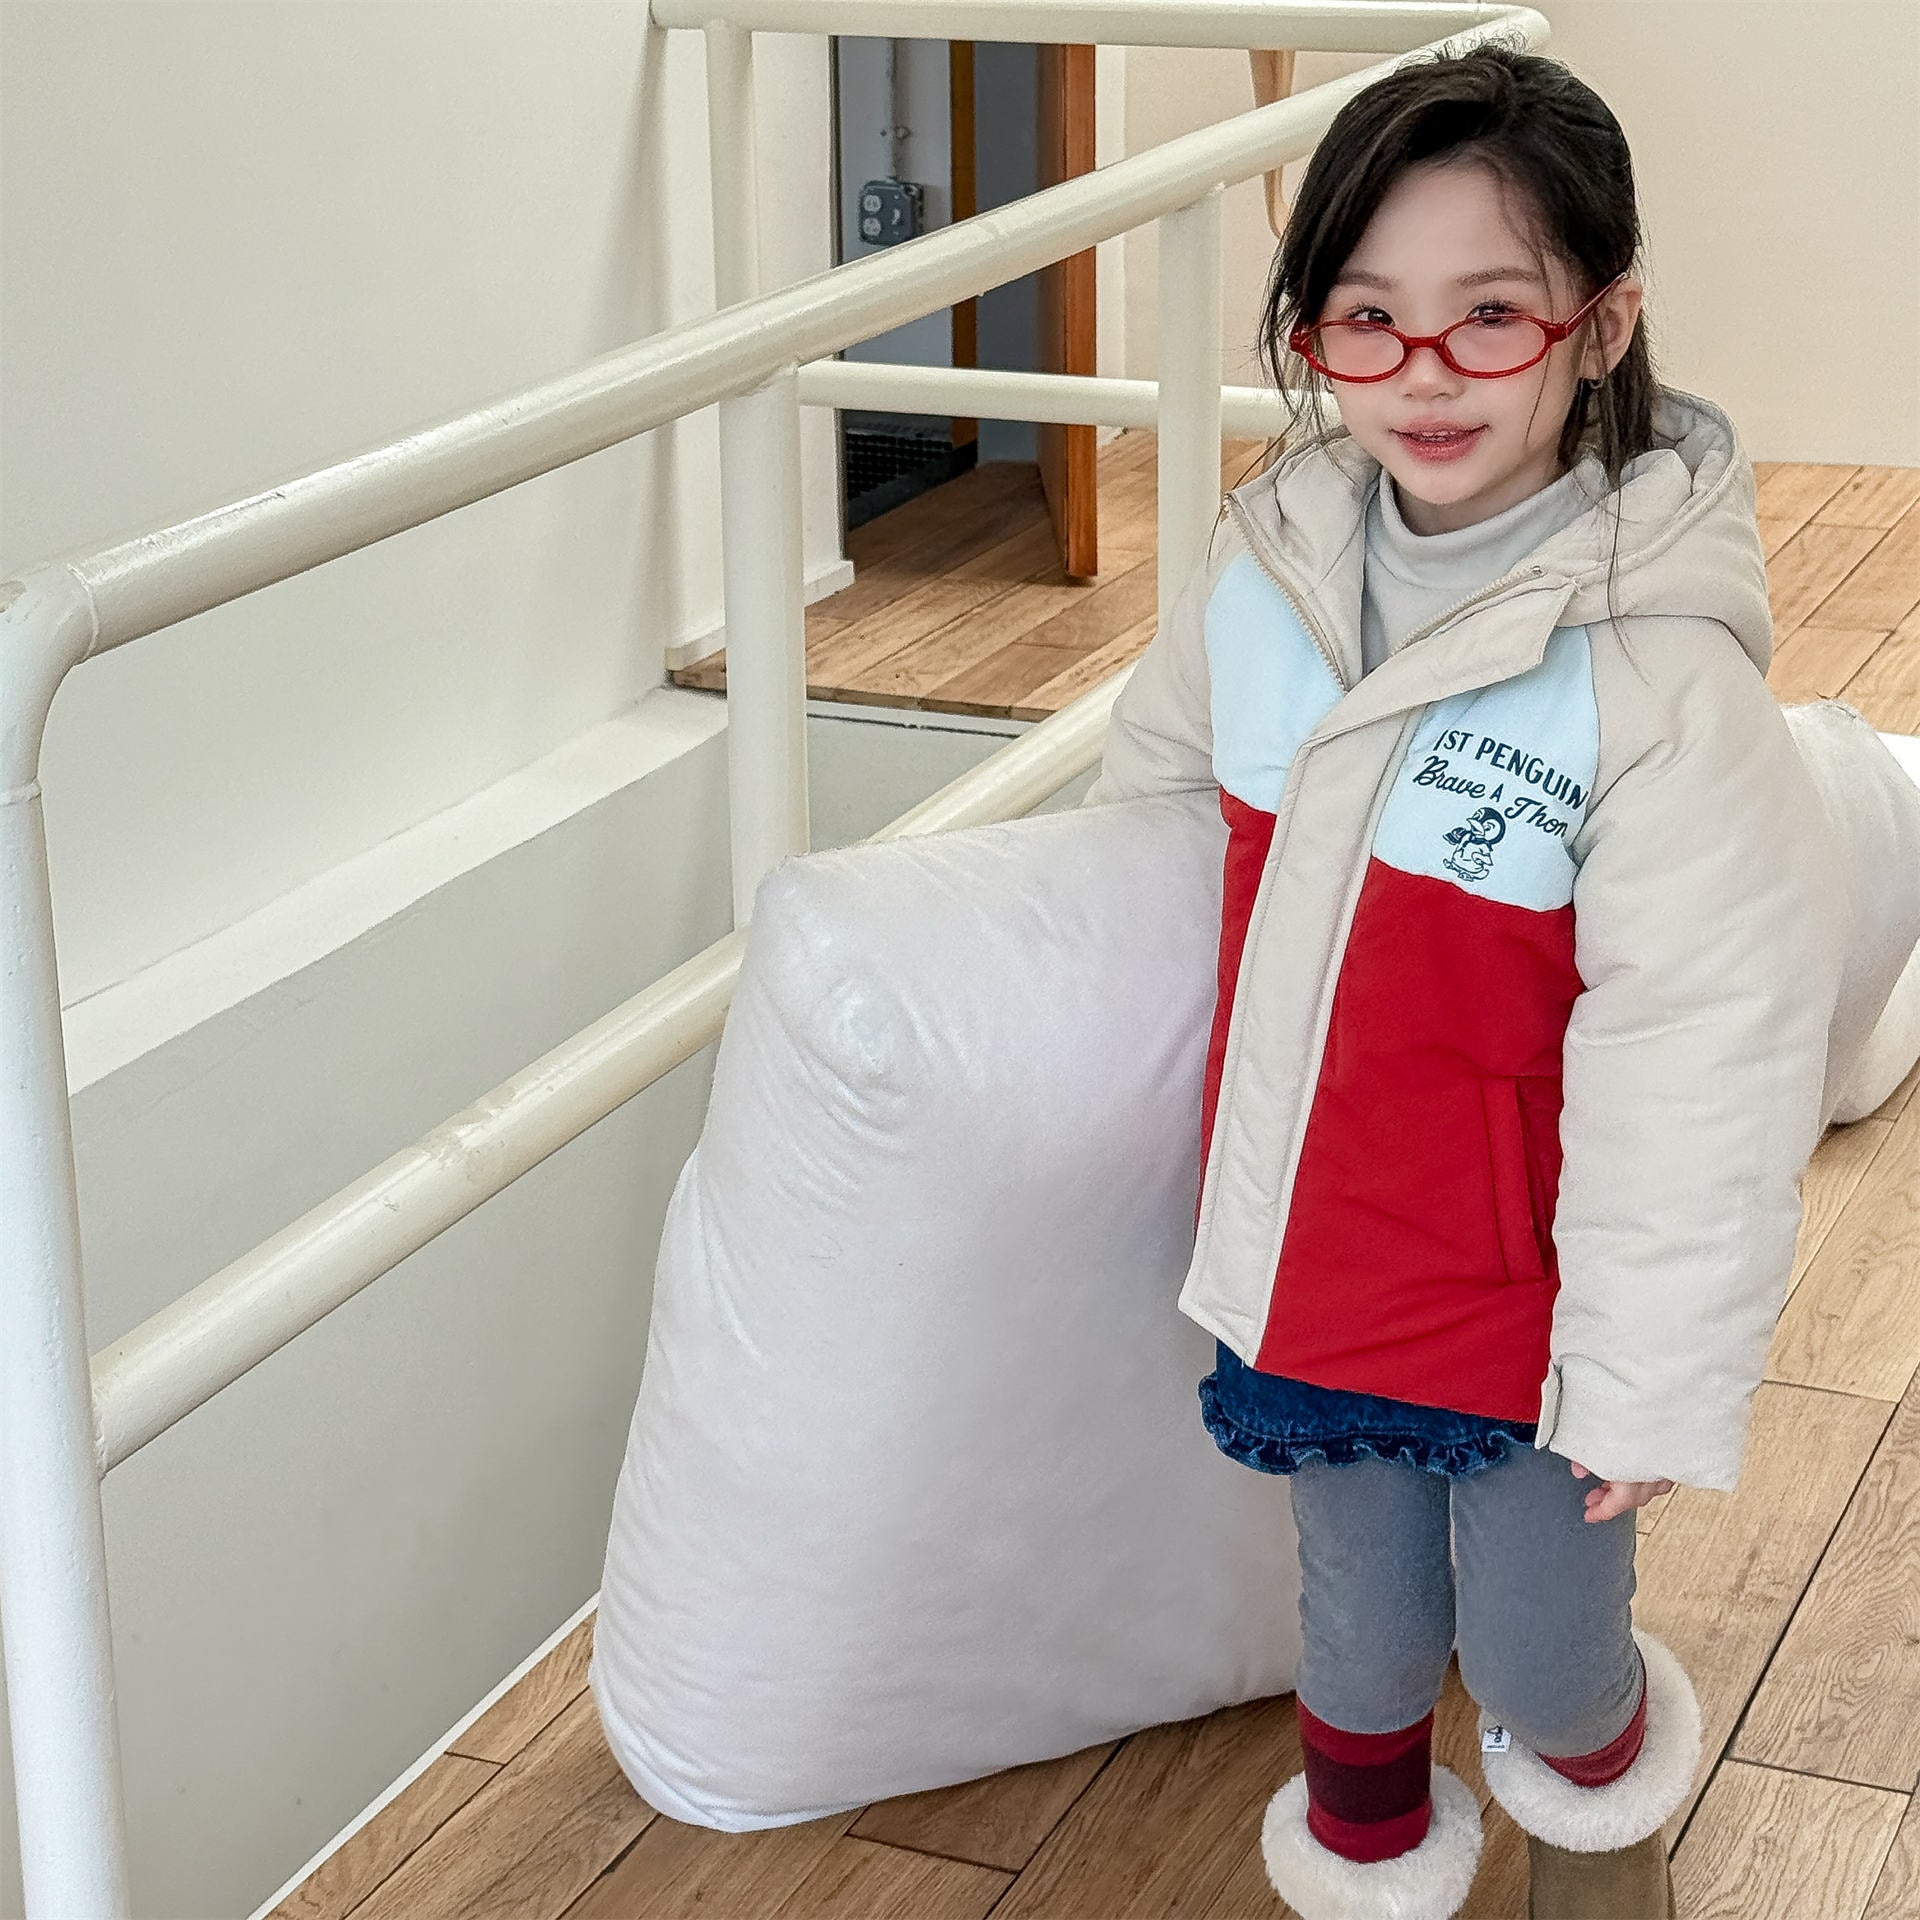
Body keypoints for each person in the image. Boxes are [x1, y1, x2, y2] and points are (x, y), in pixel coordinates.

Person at [1083, 43, 1920, 1920]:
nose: (1425, 372)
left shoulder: (1659, 687)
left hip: (1532, 1319)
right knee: (1361, 1652)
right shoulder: (1263, 577)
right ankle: (1371, 1869)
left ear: (1600, 323)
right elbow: (1138, 845)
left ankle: (1605, 1836)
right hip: (1309, 1270)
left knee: (1541, 1656)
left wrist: (1646, 1376)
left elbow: (1705, 1056)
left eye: (1490, 314)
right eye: (1367, 317)